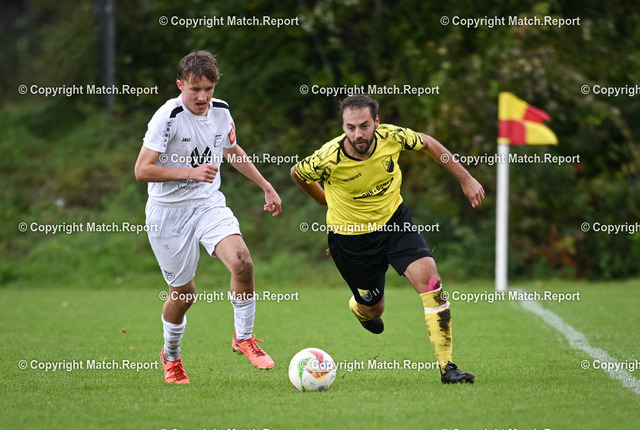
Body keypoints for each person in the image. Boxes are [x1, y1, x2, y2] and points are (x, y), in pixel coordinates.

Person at [290, 94, 484, 384]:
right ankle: (360, 309)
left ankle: (448, 368)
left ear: (376, 122)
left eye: (364, 126)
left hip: (395, 223)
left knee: (431, 282)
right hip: (351, 240)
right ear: (343, 127)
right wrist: (323, 199)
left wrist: (465, 179)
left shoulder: (392, 137)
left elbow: (428, 143)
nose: (358, 134)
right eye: (351, 127)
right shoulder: (328, 157)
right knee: (374, 308)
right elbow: (297, 173)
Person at [135, 50, 282, 384]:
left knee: (242, 263)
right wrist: (190, 172)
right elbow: (142, 170)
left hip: (207, 203)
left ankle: (244, 337)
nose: (202, 97)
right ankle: (171, 356)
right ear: (180, 85)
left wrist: (266, 186)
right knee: (184, 295)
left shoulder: (221, 112)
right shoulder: (167, 117)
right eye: (195, 89)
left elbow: (232, 151)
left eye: (209, 89)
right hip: (167, 213)